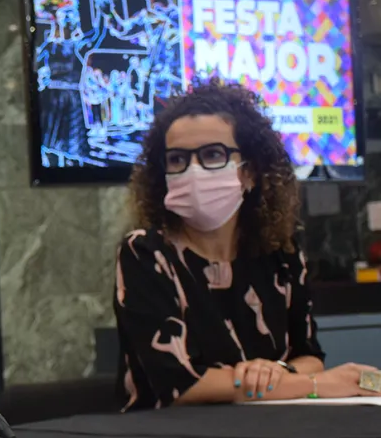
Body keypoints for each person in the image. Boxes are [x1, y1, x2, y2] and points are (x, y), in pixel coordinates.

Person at [114, 80, 379, 409]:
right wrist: (311, 385)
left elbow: (309, 356)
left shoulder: (281, 253)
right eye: (178, 159)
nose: (193, 170)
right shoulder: (145, 253)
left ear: (250, 172)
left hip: (270, 431)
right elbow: (182, 384)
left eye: (213, 154)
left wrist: (274, 372)